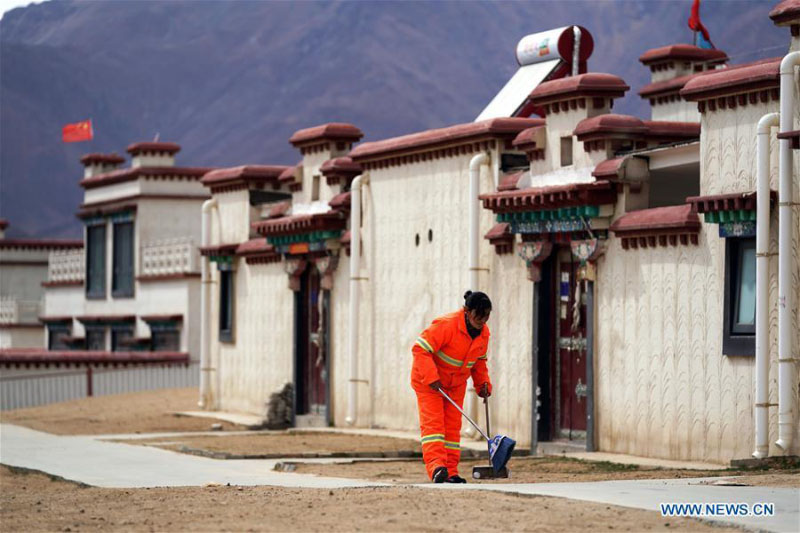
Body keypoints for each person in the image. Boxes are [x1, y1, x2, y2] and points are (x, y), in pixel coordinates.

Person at [410, 290, 492, 483]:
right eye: (478, 316)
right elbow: (420, 349)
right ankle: (437, 467)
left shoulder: (484, 334)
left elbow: (479, 361)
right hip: (430, 383)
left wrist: (483, 384)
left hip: (455, 385)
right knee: (434, 426)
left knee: (453, 428)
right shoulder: (446, 325)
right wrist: (431, 377)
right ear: (466, 311)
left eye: (486, 316)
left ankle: (451, 471)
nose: (482, 321)